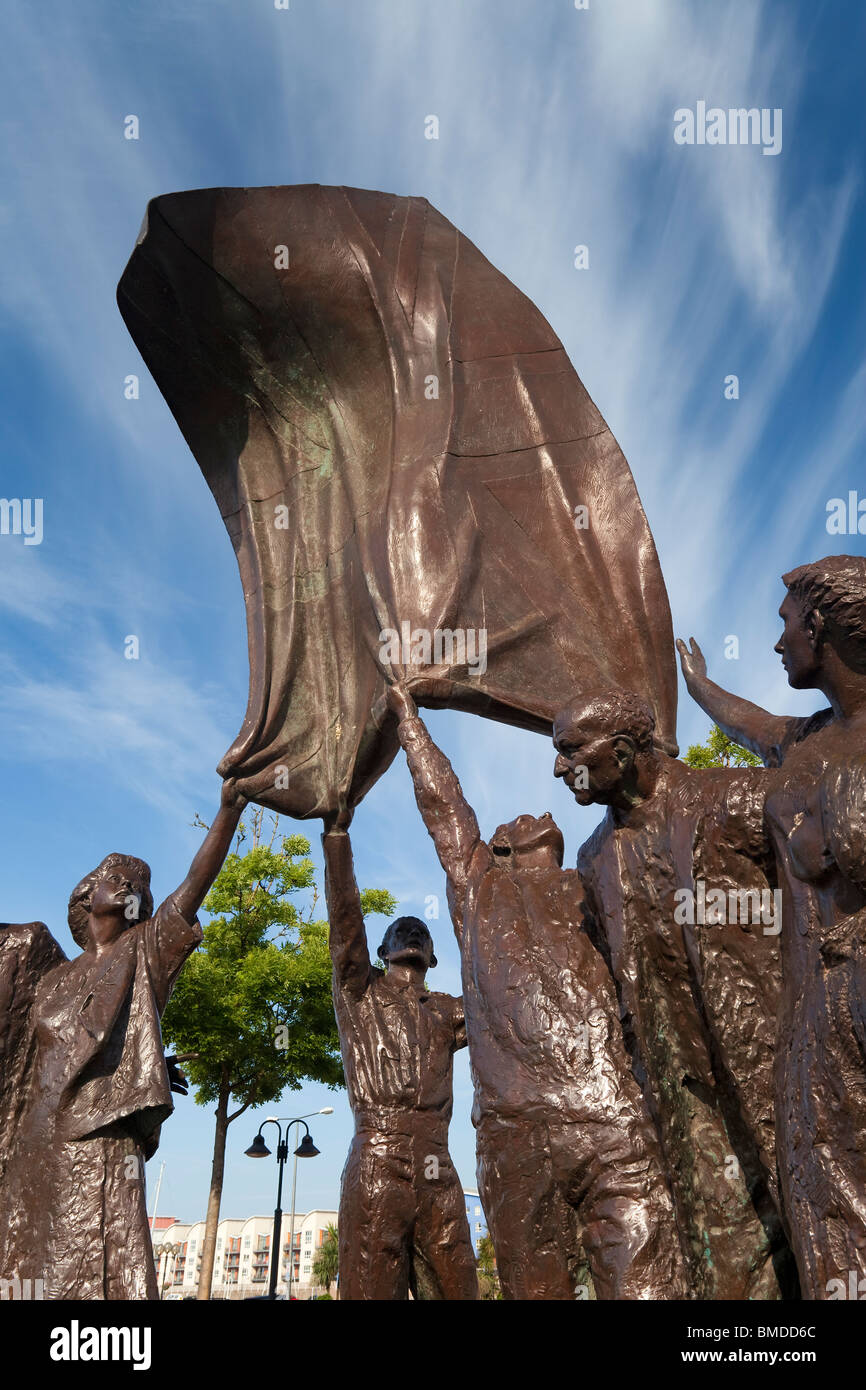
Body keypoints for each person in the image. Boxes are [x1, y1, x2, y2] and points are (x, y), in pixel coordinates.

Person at [387, 683, 687, 1300]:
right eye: (518, 820)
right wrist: (408, 721)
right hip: (519, 1135)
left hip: (613, 1118)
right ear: (499, 848)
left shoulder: (596, 872)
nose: (536, 812)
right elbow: (445, 808)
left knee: (651, 1284)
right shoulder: (479, 890)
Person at [553, 689, 794, 1299]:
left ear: (626, 752)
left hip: (781, 1067)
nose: (559, 768)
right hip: (684, 1094)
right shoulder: (592, 859)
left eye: (570, 751)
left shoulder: (735, 799)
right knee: (729, 1267)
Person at [678, 555, 866, 1297]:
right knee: (825, 1208)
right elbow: (750, 723)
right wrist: (699, 689)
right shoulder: (807, 742)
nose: (777, 642)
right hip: (815, 1021)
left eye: (785, 626)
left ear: (819, 626)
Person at [0, 779, 245, 1300]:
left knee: (94, 1277)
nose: (131, 882)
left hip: (98, 1134)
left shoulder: (145, 951)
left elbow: (190, 893)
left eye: (140, 882)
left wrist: (230, 808)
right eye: (119, 875)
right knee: (23, 1266)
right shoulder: (47, 977)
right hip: (33, 1140)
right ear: (88, 895)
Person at [321, 809, 478, 1301]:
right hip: (377, 1159)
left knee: (459, 1287)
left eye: (420, 932)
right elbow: (345, 919)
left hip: (438, 1161)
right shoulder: (360, 993)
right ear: (382, 951)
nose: (411, 932)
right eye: (400, 931)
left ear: (431, 956)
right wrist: (336, 836)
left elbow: (503, 996)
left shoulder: (450, 1010)